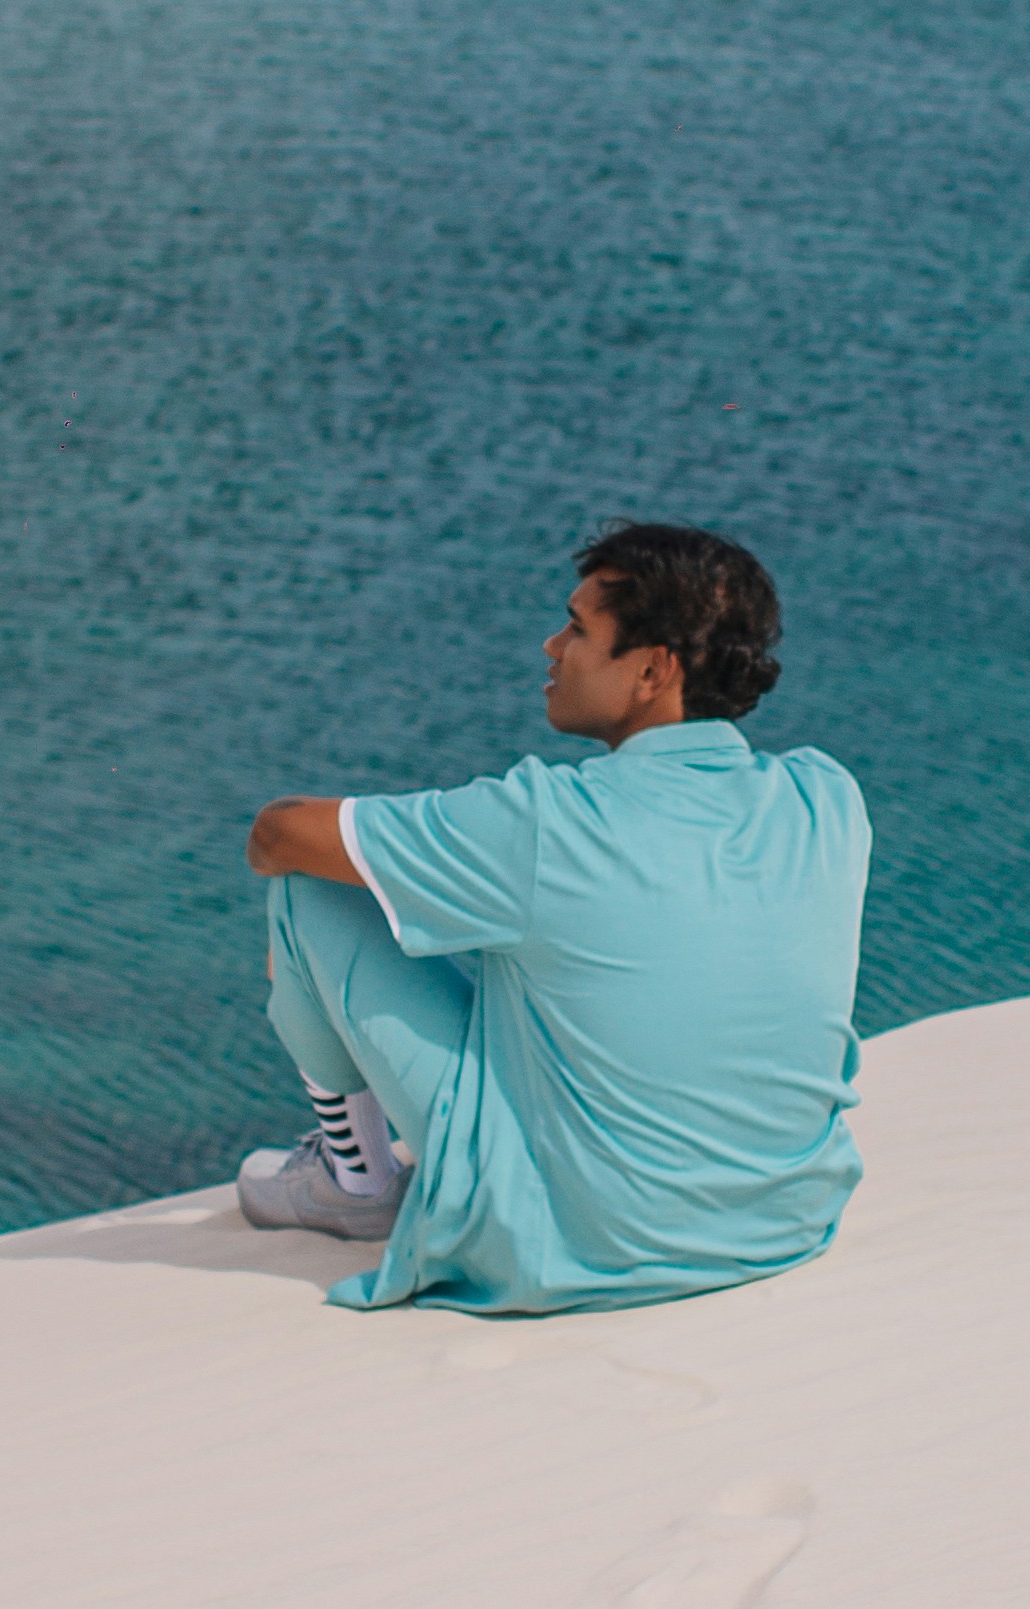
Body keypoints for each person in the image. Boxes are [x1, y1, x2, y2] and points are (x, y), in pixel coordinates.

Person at [236, 520, 869, 1315]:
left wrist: (294, 947)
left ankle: (354, 1178)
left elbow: (277, 832)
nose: (550, 646)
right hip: (786, 1220)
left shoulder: (547, 822)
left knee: (314, 887)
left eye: (577, 627)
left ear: (651, 670)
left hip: (583, 1248)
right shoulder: (827, 801)